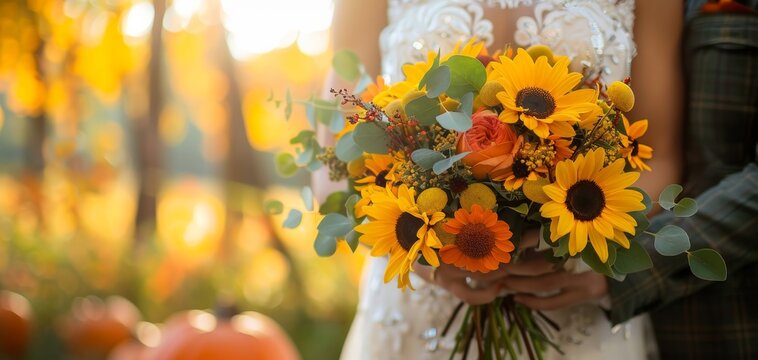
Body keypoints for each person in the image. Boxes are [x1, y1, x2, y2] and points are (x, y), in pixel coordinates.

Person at [319, 0, 685, 358]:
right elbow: (333, 167)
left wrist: (580, 252)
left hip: (573, 294)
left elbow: (660, 158)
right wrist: (420, 254)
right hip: (418, 304)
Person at [490, 0, 758, 359]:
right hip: (421, 294)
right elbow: (389, 145)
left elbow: (656, 156)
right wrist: (440, 255)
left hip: (588, 285)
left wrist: (570, 247)